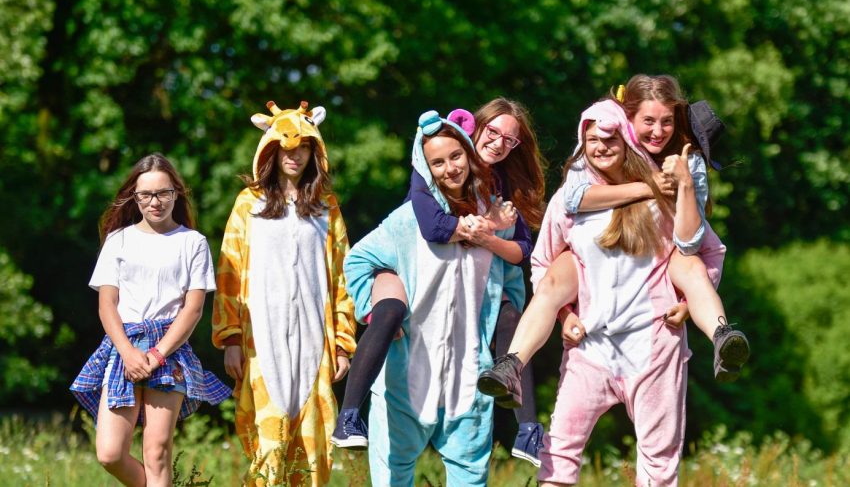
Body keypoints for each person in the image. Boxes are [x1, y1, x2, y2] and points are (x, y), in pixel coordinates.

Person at [479, 75, 749, 412]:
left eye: (667, 122)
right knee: (552, 280)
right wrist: (649, 187)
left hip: (661, 257)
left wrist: (684, 185)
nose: (658, 131)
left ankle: (723, 338)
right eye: (648, 121)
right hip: (594, 254)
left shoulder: (687, 160)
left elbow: (691, 241)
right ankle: (511, 364)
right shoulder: (605, 137)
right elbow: (573, 196)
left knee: (691, 266)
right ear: (627, 118)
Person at [332, 98, 548, 466]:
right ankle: (350, 414)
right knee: (390, 308)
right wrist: (488, 225)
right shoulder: (431, 166)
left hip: (468, 314)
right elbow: (433, 227)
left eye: (509, 140)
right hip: (409, 278)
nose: (498, 143)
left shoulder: (500, 190)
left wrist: (490, 235)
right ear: (473, 129)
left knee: (513, 317)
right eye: (492, 132)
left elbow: (521, 252)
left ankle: (527, 427)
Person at [534, 100, 716, 485]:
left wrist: (687, 304)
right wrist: (565, 315)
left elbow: (707, 250)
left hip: (653, 343)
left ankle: (721, 333)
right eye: (592, 140)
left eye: (611, 139)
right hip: (590, 346)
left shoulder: (662, 194)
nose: (602, 147)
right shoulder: (570, 199)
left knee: (659, 459)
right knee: (558, 450)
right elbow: (541, 262)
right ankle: (512, 363)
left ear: (626, 140)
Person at [211, 101, 357, 486]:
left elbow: (343, 276)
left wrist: (344, 343)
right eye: (286, 148)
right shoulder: (248, 203)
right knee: (268, 444)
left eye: (304, 147)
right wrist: (230, 338)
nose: (295, 155)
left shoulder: (327, 207)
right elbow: (229, 271)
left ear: (315, 151)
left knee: (312, 448)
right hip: (261, 339)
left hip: (314, 340)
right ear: (271, 150)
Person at [70, 153, 230, 487]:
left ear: (176, 194)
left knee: (156, 452)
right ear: (135, 196)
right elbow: (107, 305)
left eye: (163, 193)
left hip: (169, 350)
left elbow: (193, 309)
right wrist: (128, 352)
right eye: (146, 195)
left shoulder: (193, 243)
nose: (155, 202)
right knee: (110, 453)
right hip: (124, 347)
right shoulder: (118, 240)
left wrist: (157, 354)